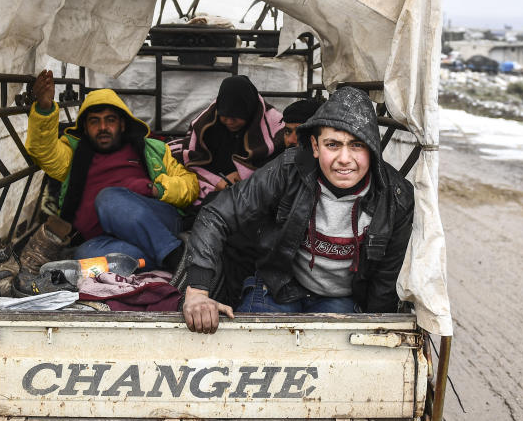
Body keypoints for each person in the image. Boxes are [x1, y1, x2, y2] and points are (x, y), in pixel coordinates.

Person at [181, 86, 415, 334]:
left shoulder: (396, 197)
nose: (345, 158)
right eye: (333, 145)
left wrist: (378, 333)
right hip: (280, 284)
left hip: (341, 298)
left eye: (357, 145)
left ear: (373, 148)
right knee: (256, 348)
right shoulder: (289, 168)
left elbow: (385, 281)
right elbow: (217, 214)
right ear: (314, 146)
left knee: (337, 362)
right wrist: (197, 291)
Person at [24, 70, 199, 275]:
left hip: (156, 221)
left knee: (108, 199)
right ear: (85, 127)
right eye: (95, 121)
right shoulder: (74, 153)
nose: (103, 127)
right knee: (84, 257)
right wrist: (44, 109)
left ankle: (174, 254)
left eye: (110, 120)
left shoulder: (151, 149)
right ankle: (168, 256)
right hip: (105, 238)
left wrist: (156, 189)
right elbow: (42, 151)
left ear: (122, 124)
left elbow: (190, 185)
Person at [171, 75, 284, 202]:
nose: (229, 121)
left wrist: (242, 174)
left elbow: (279, 164)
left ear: (249, 111)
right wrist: (220, 181)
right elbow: (195, 155)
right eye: (224, 115)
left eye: (236, 116)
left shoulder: (273, 123)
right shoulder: (208, 122)